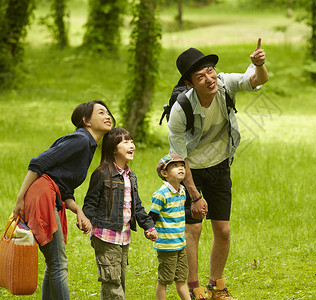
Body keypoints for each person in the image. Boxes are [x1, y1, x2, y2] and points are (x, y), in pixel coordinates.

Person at [168, 38, 269, 300]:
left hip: (220, 166)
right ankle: (194, 288)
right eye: (200, 76)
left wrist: (259, 65)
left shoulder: (224, 85)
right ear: (189, 84)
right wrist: (194, 195)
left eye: (210, 71)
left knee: (222, 230)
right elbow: (179, 158)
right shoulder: (181, 109)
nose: (209, 78)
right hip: (191, 172)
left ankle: (217, 286)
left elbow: (257, 80)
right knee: (194, 229)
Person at [12, 100, 115, 299]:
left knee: (54, 263)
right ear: (86, 120)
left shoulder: (87, 144)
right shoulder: (80, 140)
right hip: (42, 195)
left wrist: (79, 211)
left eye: (108, 112)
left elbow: (65, 189)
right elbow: (39, 163)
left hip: (51, 195)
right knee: (58, 263)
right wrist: (20, 198)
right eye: (101, 112)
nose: (107, 116)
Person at [82, 127, 158, 299]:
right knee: (112, 281)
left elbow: (136, 206)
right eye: (125, 142)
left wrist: (149, 226)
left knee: (118, 280)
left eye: (131, 141)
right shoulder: (102, 173)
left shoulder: (131, 176)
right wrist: (86, 220)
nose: (131, 145)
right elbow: (91, 202)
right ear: (113, 148)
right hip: (105, 236)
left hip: (123, 237)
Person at [149, 154, 190, 300]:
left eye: (182, 165)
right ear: (164, 173)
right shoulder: (161, 194)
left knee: (181, 279)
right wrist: (150, 230)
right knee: (164, 280)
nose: (180, 168)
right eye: (175, 166)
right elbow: (151, 217)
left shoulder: (182, 191)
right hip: (167, 245)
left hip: (180, 243)